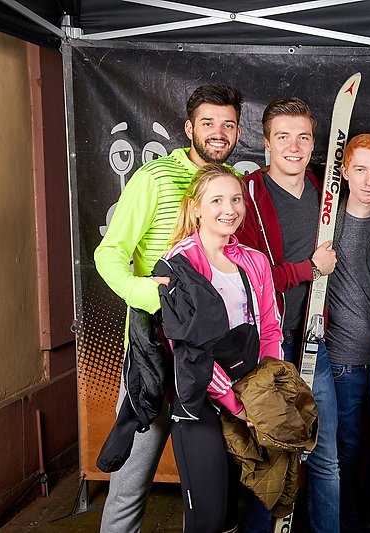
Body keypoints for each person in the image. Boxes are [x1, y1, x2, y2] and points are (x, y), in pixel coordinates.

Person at [94, 83, 243, 533]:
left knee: (206, 487)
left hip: (210, 357)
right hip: (154, 355)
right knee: (131, 480)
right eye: (208, 123)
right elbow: (109, 253)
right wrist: (152, 296)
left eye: (228, 124)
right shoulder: (154, 177)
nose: (218, 133)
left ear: (239, 131)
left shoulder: (231, 188)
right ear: (189, 128)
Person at [154, 164, 284, 532]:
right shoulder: (176, 265)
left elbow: (270, 329)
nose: (229, 209)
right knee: (209, 518)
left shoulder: (255, 261)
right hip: (202, 403)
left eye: (236, 199)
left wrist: (264, 392)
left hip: (248, 397)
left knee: (240, 510)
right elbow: (189, 352)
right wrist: (235, 402)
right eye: (217, 200)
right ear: (195, 207)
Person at [236, 97, 339, 533]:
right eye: (283, 137)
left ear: (314, 143)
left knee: (326, 457)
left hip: (314, 339)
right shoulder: (247, 196)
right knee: (269, 456)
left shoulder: (324, 191)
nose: (293, 147)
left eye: (303, 137)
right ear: (265, 142)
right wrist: (308, 268)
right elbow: (247, 277)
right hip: (267, 349)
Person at [325, 134, 370, 533]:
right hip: (343, 359)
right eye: (361, 169)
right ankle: (348, 523)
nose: (369, 180)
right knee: (346, 448)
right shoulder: (326, 220)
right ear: (345, 171)